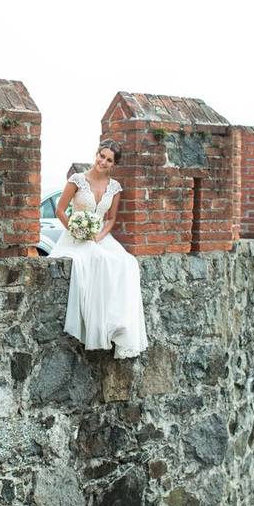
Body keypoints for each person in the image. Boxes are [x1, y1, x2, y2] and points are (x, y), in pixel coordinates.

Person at [48, 140, 148, 359]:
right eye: (101, 156)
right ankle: (98, 325)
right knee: (98, 259)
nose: (103, 161)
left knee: (127, 262)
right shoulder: (77, 180)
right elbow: (60, 210)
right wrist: (76, 230)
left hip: (101, 236)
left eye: (109, 160)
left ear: (114, 164)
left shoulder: (114, 187)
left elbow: (111, 218)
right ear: (96, 155)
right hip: (74, 237)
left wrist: (100, 235)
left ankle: (118, 324)